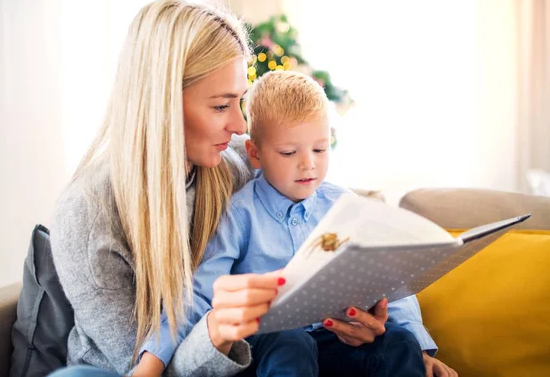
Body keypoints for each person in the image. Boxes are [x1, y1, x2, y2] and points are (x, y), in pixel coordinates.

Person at [146, 71, 459, 377]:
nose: (308, 163)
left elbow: (391, 281)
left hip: (337, 338)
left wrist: (420, 350)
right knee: (290, 343)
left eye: (320, 149)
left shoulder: (345, 207)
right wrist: (155, 359)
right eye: (288, 152)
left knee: (398, 342)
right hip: (271, 342)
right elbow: (199, 295)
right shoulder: (238, 213)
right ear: (255, 154)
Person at [48, 0, 284, 377]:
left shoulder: (238, 165)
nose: (241, 126)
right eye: (222, 107)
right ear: (163, 105)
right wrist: (216, 332)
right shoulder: (88, 216)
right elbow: (146, 369)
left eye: (240, 102)